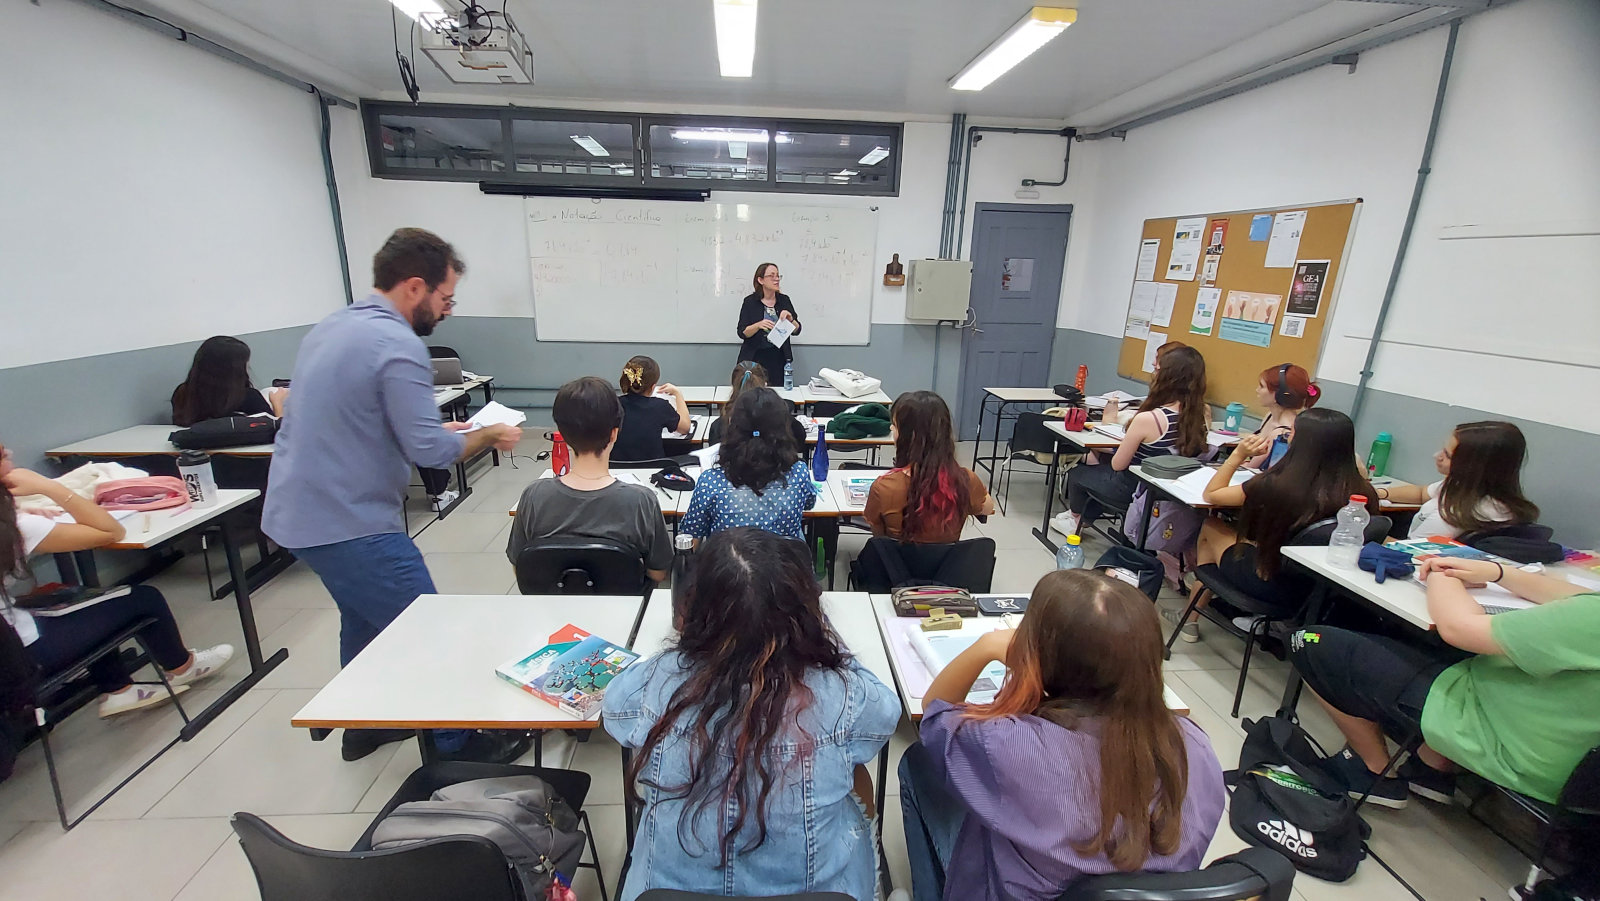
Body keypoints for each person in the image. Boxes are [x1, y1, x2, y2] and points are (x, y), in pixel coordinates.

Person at [262, 228, 522, 763]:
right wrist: (488, 435)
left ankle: (367, 722)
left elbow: (376, 424)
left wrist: (449, 430)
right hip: (348, 521)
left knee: (364, 616)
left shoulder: (334, 326)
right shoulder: (398, 344)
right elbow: (428, 452)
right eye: (445, 298)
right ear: (414, 287)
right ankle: (459, 747)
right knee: (429, 628)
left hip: (298, 512)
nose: (447, 311)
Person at [603, 527, 899, 900]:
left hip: (668, 890)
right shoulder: (842, 693)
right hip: (818, 891)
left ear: (695, 608)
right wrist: (825, 643)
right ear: (804, 614)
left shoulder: (659, 680)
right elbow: (886, 715)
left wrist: (681, 650)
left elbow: (614, 711)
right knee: (854, 774)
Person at [899, 569, 1225, 901]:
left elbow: (935, 711)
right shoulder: (1195, 747)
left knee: (917, 761)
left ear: (1041, 656)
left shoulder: (1009, 745)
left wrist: (985, 647)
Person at [1288, 556, 1600, 809]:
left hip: (1502, 738)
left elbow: (1457, 628)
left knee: (1311, 641)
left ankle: (1374, 771)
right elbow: (1582, 599)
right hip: (1577, 774)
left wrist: (1441, 576)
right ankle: (1431, 766)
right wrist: (1499, 572)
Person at [1, 443, 233, 718]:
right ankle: (183, 667)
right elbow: (110, 530)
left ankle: (119, 690)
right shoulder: (18, 529)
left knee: (76, 597)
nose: (12, 454)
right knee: (144, 598)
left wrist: (19, 510)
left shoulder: (16, 523)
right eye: (3, 454)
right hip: (20, 657)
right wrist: (48, 488)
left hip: (9, 646)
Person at [1165, 409, 1379, 642]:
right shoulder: (1362, 491)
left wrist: (1237, 455)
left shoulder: (1277, 483)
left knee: (1211, 525)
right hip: (1318, 592)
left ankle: (1189, 619)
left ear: (1299, 441)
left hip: (1269, 582)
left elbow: (1212, 495)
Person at [505, 377, 672, 582]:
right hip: (624, 610)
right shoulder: (641, 501)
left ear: (563, 435)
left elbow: (520, 567)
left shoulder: (533, 496)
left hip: (552, 608)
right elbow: (658, 572)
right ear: (614, 434)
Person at [1056, 346, 1209, 537]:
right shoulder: (1201, 414)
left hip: (1137, 488)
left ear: (1167, 377)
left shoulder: (1149, 418)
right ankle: (1084, 519)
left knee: (1079, 473)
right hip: (1170, 489)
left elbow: (1118, 465)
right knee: (1099, 471)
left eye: (1157, 369)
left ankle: (1076, 519)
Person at [681, 388, 815, 543]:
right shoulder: (798, 473)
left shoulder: (710, 482)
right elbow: (809, 503)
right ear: (783, 428)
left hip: (730, 564)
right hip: (785, 564)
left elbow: (691, 535)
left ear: (733, 425)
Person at [865, 391, 995, 543]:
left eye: (895, 425)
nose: (891, 429)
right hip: (947, 566)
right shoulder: (965, 480)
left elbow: (879, 537)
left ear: (912, 436)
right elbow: (987, 508)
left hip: (897, 565)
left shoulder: (884, 487)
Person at [1376, 421, 1538, 540]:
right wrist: (1378, 493)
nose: (1437, 456)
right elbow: (1421, 493)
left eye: (1447, 455)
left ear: (1473, 466)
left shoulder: (1450, 517)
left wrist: (1361, 532)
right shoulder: (1476, 490)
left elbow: (1407, 551)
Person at [171, 335, 287, 426]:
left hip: (196, 454)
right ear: (235, 369)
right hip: (244, 454)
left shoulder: (183, 393)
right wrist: (277, 403)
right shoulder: (248, 397)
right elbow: (275, 431)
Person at [708, 361, 806, 447]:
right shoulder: (783, 419)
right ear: (765, 384)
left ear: (733, 385)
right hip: (775, 467)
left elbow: (715, 453)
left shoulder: (720, 425)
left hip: (735, 467)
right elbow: (800, 442)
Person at [613, 355, 691, 463]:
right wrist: (678, 394)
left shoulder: (613, 405)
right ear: (653, 386)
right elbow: (685, 428)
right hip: (653, 468)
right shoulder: (660, 406)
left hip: (616, 468)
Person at [1244, 363, 1320, 468]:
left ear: (1278, 394)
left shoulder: (1284, 432)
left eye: (1262, 386)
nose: (1257, 390)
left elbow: (1252, 467)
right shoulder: (1270, 416)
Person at [736, 262, 801, 382]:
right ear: (761, 280)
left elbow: (797, 330)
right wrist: (757, 325)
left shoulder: (784, 300)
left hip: (778, 358)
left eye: (778, 276)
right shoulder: (750, 302)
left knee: (778, 396)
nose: (776, 279)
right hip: (754, 359)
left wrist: (791, 319)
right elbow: (742, 332)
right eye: (772, 276)